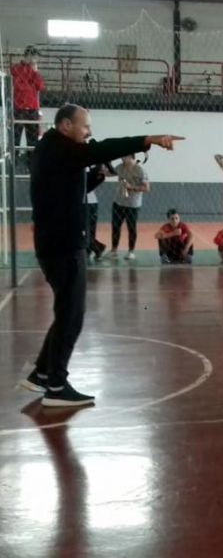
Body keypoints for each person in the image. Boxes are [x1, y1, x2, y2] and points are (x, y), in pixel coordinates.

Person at [21, 103, 182, 406]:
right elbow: (103, 148)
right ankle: (56, 387)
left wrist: (95, 177)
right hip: (64, 245)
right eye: (85, 127)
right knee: (73, 314)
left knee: (66, 311)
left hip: (56, 243)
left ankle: (42, 373)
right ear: (66, 125)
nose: (89, 133)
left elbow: (69, 184)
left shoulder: (50, 148)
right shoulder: (61, 149)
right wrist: (148, 139)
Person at [108, 154, 149, 261]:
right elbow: (109, 173)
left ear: (132, 156)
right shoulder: (120, 167)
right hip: (118, 202)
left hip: (133, 205)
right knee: (115, 227)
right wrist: (103, 167)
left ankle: (131, 251)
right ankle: (114, 250)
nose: (122, 158)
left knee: (131, 228)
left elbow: (147, 188)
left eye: (125, 156)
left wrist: (132, 187)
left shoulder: (140, 170)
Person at [11, 46, 45, 168]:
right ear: (29, 56)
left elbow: (40, 86)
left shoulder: (34, 71)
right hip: (18, 108)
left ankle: (32, 166)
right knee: (15, 139)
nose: (36, 61)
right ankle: (13, 165)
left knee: (33, 140)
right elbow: (18, 86)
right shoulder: (15, 68)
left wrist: (35, 73)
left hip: (32, 109)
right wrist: (30, 82)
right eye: (35, 57)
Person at [85, 166, 106, 262]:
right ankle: (91, 249)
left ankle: (98, 248)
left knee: (87, 231)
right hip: (87, 202)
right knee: (87, 231)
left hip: (89, 203)